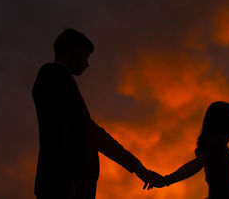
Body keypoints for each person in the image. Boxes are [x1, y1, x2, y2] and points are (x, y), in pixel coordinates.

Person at [32, 29, 159, 199]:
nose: (87, 64)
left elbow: (91, 133)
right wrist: (66, 181)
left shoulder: (58, 79)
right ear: (71, 49)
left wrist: (137, 167)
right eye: (85, 56)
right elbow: (64, 132)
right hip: (65, 185)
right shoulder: (53, 76)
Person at [148, 101, 229, 199]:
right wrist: (166, 180)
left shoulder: (222, 147)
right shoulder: (215, 145)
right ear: (223, 121)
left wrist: (166, 180)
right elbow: (196, 164)